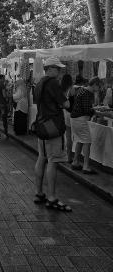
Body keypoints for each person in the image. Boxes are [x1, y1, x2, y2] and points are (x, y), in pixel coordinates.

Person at [33, 57, 72, 212]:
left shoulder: (39, 83)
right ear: (51, 68)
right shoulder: (53, 83)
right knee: (53, 161)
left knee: (41, 157)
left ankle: (39, 193)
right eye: (58, 68)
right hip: (53, 126)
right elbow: (66, 104)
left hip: (41, 124)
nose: (60, 72)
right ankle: (52, 198)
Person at [71, 77, 106, 174]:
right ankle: (86, 167)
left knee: (80, 140)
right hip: (80, 119)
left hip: (75, 119)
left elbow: (85, 107)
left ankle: (75, 162)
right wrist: (101, 112)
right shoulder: (87, 93)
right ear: (95, 84)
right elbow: (87, 110)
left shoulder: (83, 90)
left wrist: (97, 108)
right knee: (87, 141)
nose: (99, 89)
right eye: (99, 87)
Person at [61, 74, 74, 163]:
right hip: (70, 113)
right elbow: (72, 102)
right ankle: (69, 157)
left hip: (64, 112)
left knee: (66, 135)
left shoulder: (61, 89)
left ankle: (65, 155)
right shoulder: (72, 89)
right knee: (69, 137)